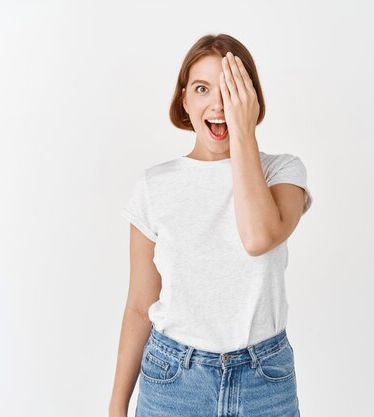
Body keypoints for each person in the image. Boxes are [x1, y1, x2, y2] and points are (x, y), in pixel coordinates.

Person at [109, 33, 313, 417]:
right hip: (173, 380)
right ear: (184, 99)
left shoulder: (282, 172)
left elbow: (258, 237)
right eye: (203, 88)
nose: (219, 104)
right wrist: (116, 407)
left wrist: (243, 132)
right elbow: (139, 307)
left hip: (264, 381)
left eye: (232, 89)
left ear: (251, 100)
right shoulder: (154, 186)